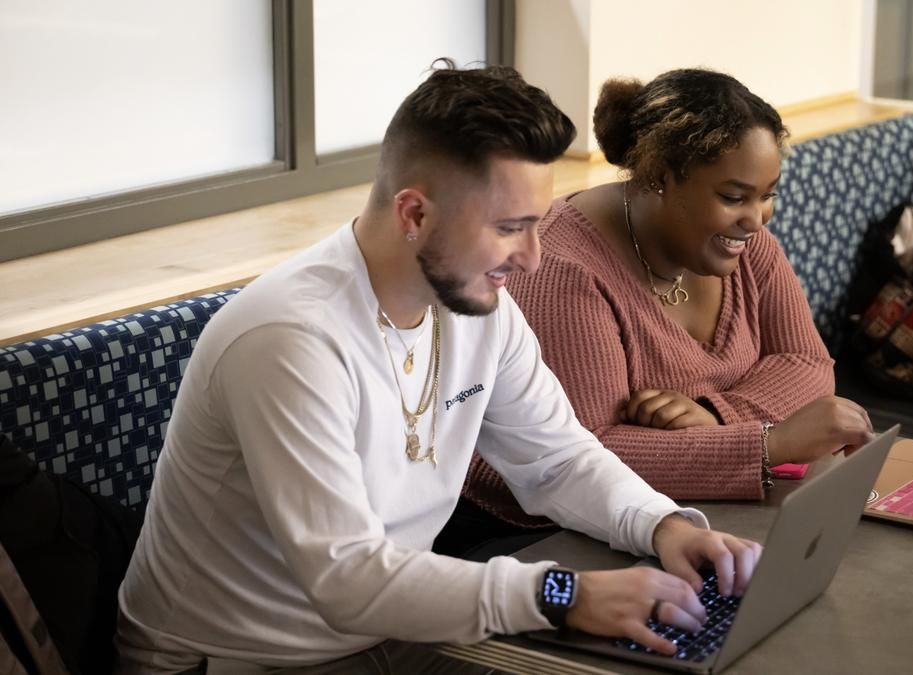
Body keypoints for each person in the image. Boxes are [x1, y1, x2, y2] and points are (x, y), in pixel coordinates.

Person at [115, 63, 762, 674]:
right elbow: (347, 576)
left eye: (537, 225)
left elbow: (557, 459)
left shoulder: (479, 304)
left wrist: (661, 522)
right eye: (509, 227)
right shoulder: (291, 337)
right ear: (415, 214)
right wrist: (562, 591)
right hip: (236, 657)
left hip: (387, 628)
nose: (532, 258)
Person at [449, 69, 874, 543]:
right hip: (540, 532)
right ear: (658, 177)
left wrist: (716, 416)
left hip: (682, 509)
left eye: (767, 195)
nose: (755, 219)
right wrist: (769, 443)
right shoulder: (562, 271)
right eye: (733, 196)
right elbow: (586, 457)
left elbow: (808, 365)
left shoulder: (745, 244)